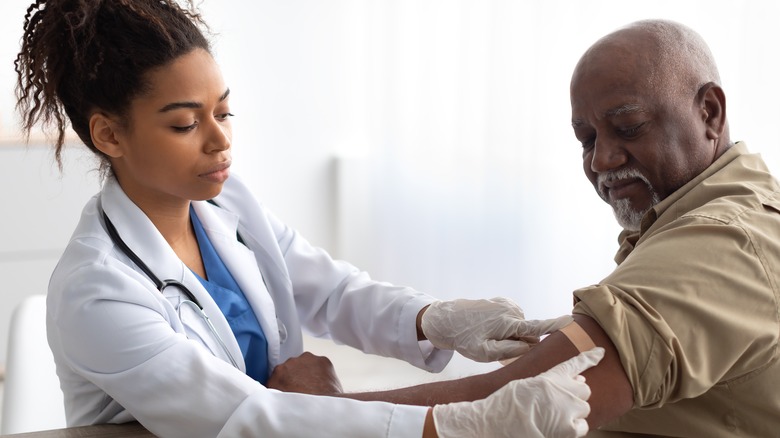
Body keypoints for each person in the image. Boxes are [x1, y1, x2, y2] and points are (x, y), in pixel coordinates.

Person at [14, 1, 604, 437]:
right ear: (109, 134)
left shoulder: (226, 204)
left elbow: (328, 290)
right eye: (186, 124)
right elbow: (244, 418)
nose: (221, 140)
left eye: (224, 111)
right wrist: (452, 425)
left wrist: (434, 320)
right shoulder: (98, 291)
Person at [327, 18, 779, 437]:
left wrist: (323, 410)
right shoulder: (717, 205)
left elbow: (511, 406)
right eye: (587, 139)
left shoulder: (723, 240)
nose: (601, 160)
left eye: (628, 126)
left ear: (710, 112)